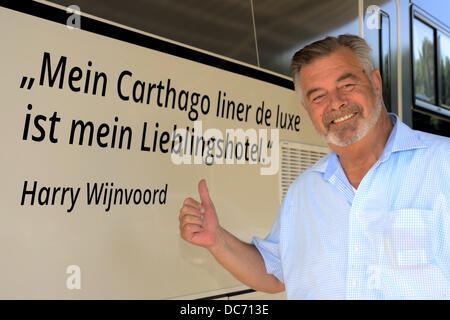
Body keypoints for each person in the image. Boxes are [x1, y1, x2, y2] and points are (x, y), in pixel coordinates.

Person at [179, 34, 450, 299]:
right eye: (318, 97)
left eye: (346, 85)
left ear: (375, 83)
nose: (335, 103)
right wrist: (216, 239)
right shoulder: (303, 191)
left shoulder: (443, 162)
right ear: (307, 108)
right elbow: (276, 273)